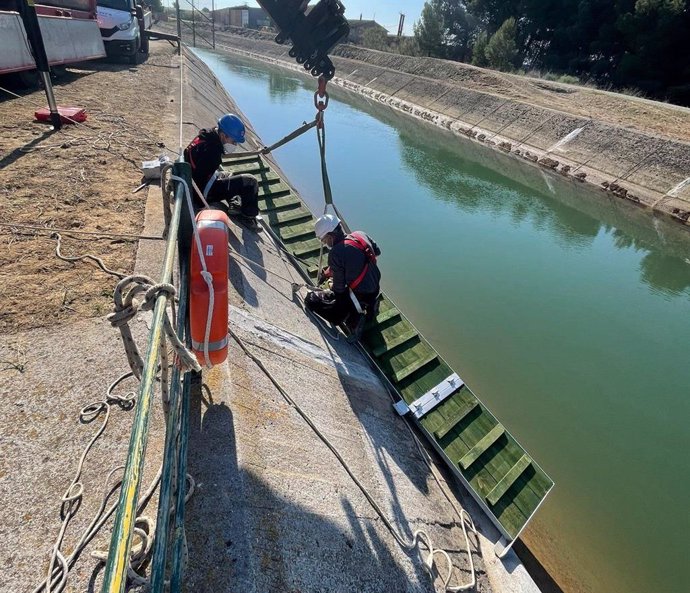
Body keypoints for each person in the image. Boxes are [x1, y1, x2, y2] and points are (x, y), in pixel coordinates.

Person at [184, 113, 260, 230]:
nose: (234, 145)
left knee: (230, 175)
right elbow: (201, 180)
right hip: (202, 192)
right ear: (223, 136)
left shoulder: (207, 135)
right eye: (234, 141)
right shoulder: (211, 151)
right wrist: (202, 204)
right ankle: (247, 216)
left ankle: (234, 204)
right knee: (250, 181)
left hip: (198, 181)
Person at [304, 213, 381, 328]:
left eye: (324, 240)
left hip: (360, 294)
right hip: (375, 287)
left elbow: (338, 290)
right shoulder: (360, 235)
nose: (325, 243)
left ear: (330, 236)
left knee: (311, 300)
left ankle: (354, 318)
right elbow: (377, 252)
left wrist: (330, 285)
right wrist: (328, 273)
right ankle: (371, 304)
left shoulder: (335, 253)